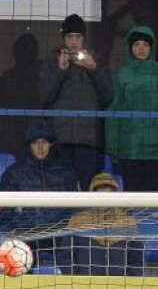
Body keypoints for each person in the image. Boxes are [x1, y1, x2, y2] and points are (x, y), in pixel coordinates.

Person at [39, 13, 114, 189]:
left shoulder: (96, 61)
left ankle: (84, 218)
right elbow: (45, 96)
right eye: (69, 36)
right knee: (60, 191)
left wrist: (94, 69)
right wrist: (60, 71)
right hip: (60, 140)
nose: (73, 41)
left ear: (84, 39)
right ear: (63, 39)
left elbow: (108, 95)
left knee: (86, 192)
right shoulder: (53, 61)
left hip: (87, 141)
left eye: (78, 36)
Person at [104, 26, 158, 192]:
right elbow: (113, 110)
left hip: (155, 148)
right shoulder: (122, 74)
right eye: (137, 44)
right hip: (129, 149)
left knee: (154, 202)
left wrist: (157, 123)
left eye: (145, 45)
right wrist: (112, 145)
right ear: (130, 47)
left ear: (151, 47)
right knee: (131, 198)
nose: (141, 49)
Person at [0, 121, 78, 242]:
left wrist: (63, 223)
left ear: (51, 145)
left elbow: (77, 207)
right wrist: (23, 223)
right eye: (35, 143)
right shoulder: (14, 173)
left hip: (60, 235)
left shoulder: (66, 173)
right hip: (26, 234)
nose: (40, 147)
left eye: (44, 142)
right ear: (29, 146)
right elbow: (1, 210)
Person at [57, 172, 142, 275]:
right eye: (100, 195)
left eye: (108, 195)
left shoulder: (128, 222)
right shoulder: (78, 220)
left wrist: (128, 283)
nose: (104, 200)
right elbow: (65, 256)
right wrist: (77, 278)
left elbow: (137, 260)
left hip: (120, 287)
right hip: (84, 286)